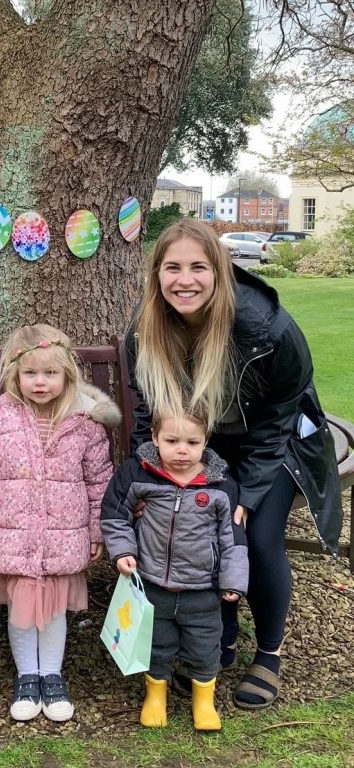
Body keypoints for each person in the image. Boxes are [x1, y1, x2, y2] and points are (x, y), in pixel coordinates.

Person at [124, 218, 342, 711]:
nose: (185, 280)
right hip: (199, 443)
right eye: (173, 267)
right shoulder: (145, 331)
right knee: (188, 527)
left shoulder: (267, 326)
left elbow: (279, 416)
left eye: (199, 267)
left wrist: (242, 492)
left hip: (274, 442)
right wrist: (147, 478)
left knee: (257, 538)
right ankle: (216, 643)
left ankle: (269, 653)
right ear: (157, 274)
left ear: (220, 271)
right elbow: (146, 413)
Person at [0, 324, 120, 723]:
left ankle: (52, 674)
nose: (40, 382)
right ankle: (27, 676)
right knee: (21, 610)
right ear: (15, 375)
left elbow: (100, 480)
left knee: (52, 612)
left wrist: (98, 528)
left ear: (67, 375)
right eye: (31, 373)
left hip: (63, 536)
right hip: (14, 534)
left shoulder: (84, 424)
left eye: (50, 373)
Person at [101, 408, 248, 730]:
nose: (182, 450)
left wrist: (234, 580)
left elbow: (233, 538)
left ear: (205, 442)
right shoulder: (139, 475)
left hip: (203, 590)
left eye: (192, 442)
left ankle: (203, 701)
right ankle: (156, 695)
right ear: (155, 438)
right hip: (152, 585)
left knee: (205, 646)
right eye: (171, 440)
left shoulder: (220, 486)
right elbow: (115, 515)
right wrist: (122, 550)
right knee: (157, 644)